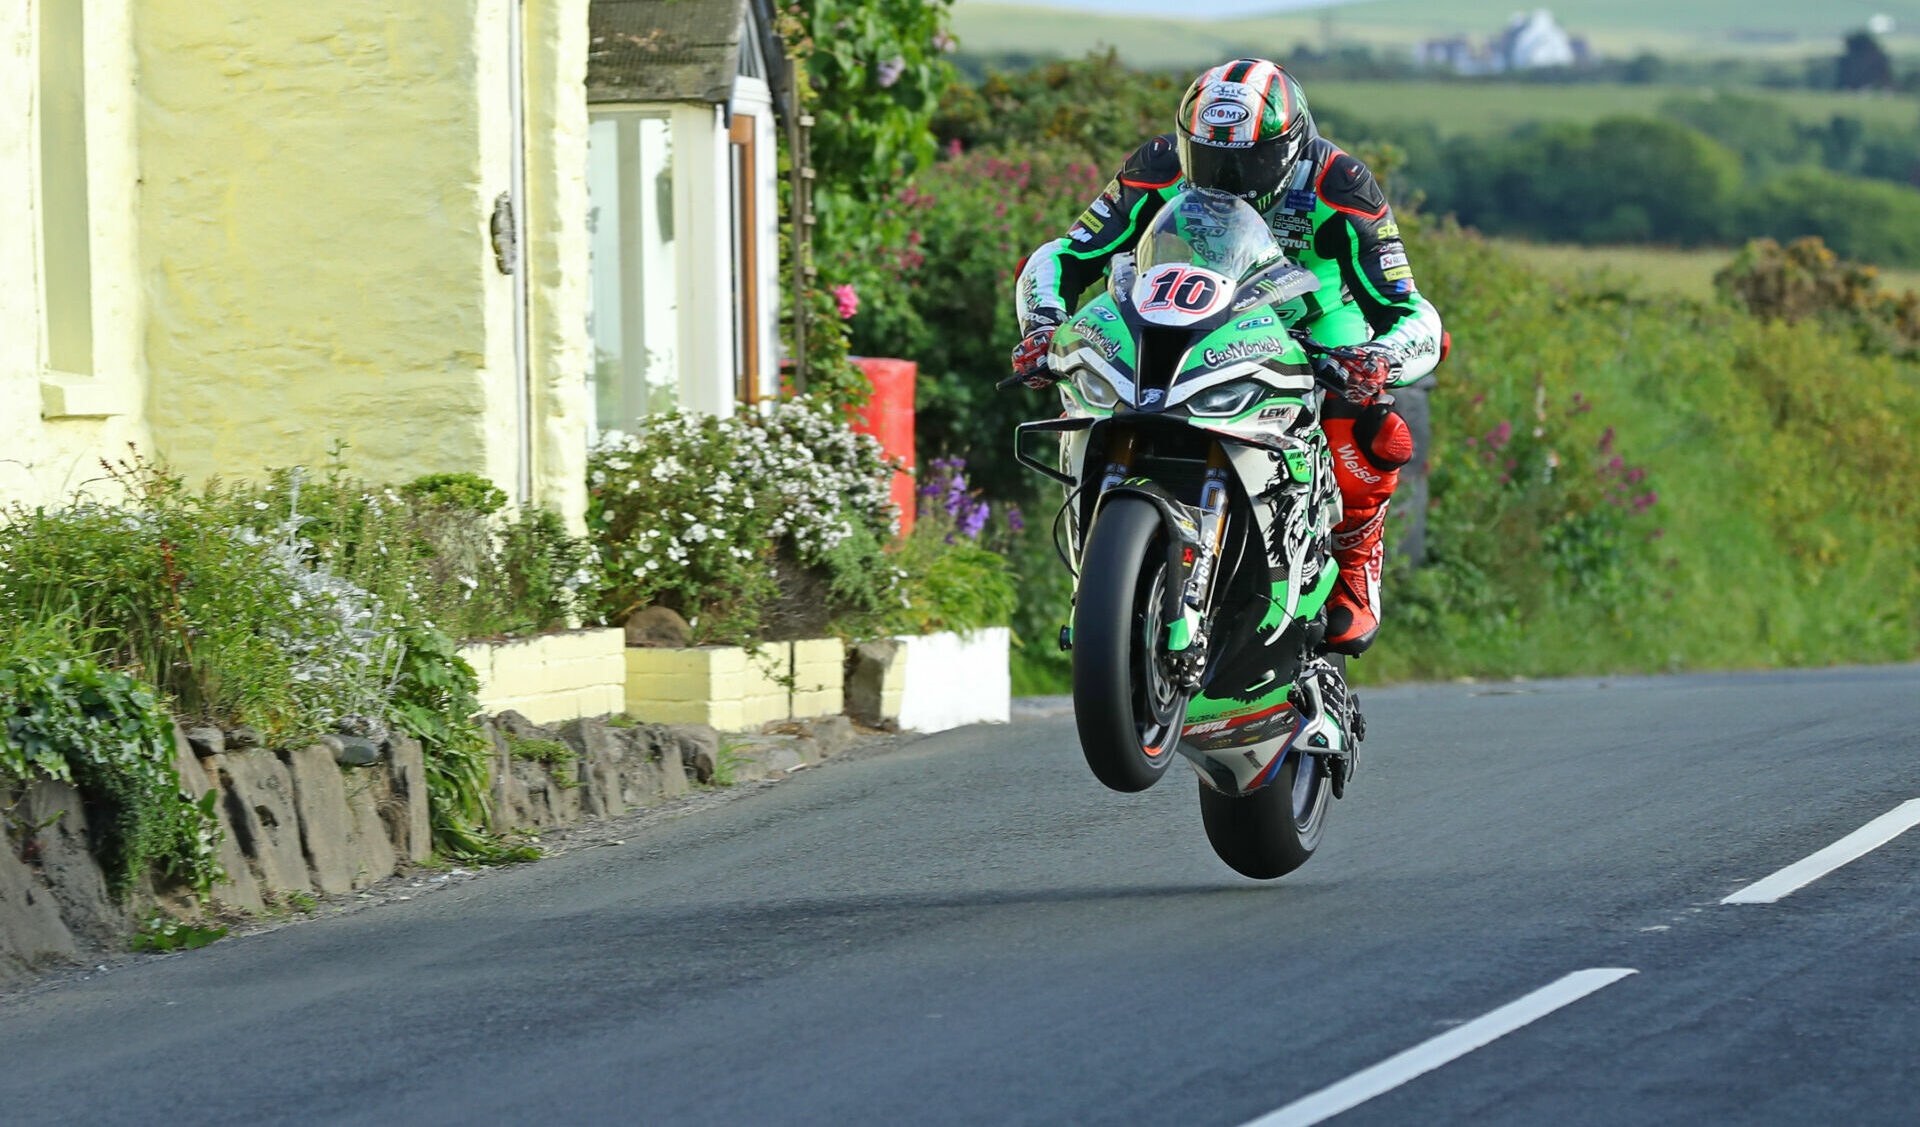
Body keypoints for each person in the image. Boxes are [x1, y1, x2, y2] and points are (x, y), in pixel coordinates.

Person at [1009, 58, 1443, 656]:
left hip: (1311, 326)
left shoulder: (1340, 184)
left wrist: (1379, 359)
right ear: (1188, 144)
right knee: (1094, 382)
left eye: (1249, 161)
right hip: (1184, 311)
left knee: (1370, 426)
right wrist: (1042, 325)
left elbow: (1408, 306)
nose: (1228, 176)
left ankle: (1356, 563)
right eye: (1210, 159)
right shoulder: (1157, 165)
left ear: (1292, 146)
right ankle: (1110, 557)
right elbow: (1067, 253)